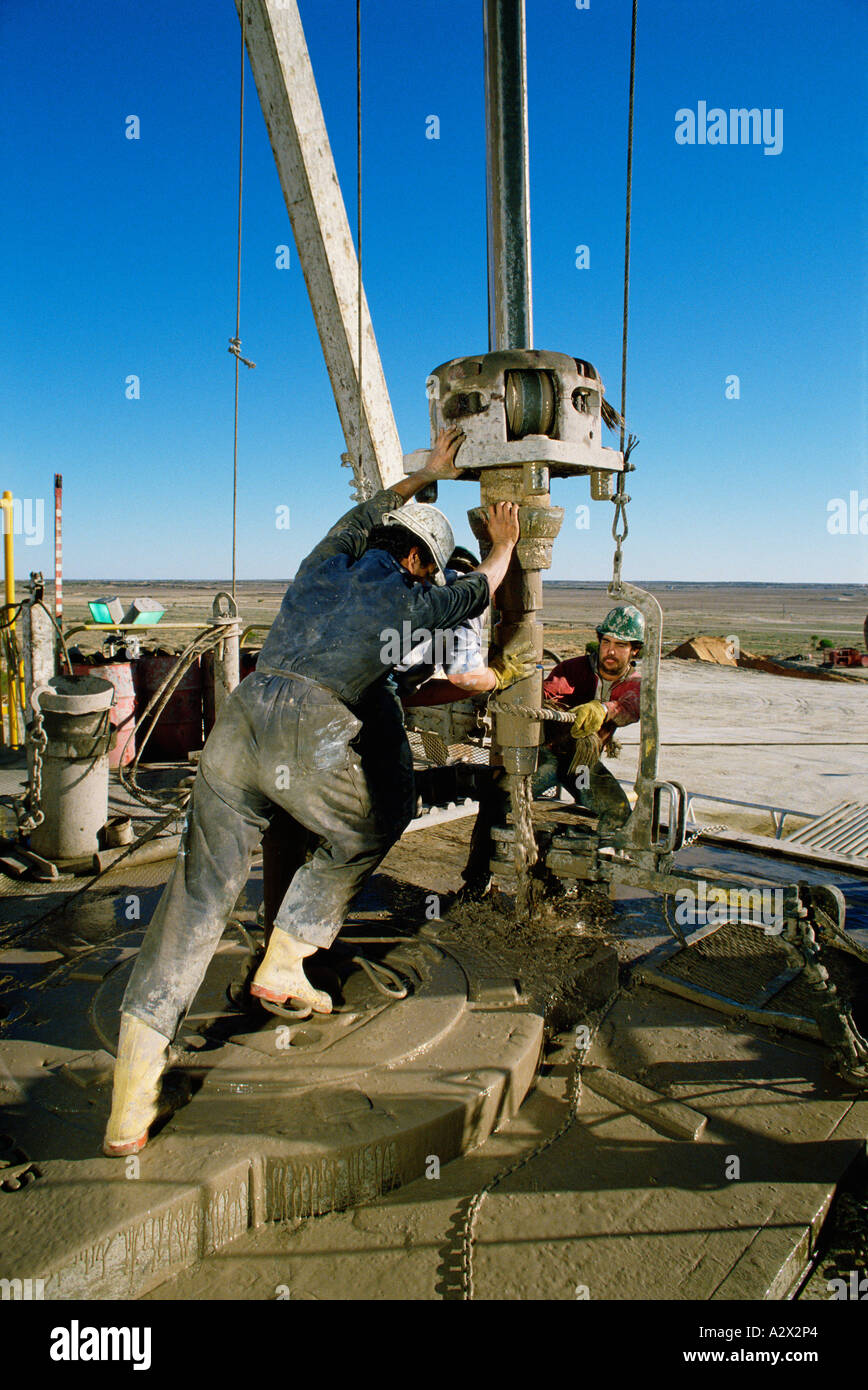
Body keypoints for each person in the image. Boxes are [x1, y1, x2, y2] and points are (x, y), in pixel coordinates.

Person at [104, 427, 523, 1156]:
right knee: (378, 818)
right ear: (421, 559)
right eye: (427, 569)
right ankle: (289, 952)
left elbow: (365, 511)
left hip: (240, 719)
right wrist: (507, 544)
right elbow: (476, 591)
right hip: (311, 721)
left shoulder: (324, 561)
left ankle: (131, 1092)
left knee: (196, 897)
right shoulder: (413, 600)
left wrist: (426, 473)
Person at [459, 603, 644, 897]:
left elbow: (631, 706)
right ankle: (478, 879)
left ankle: (594, 882)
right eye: (606, 642)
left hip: (583, 764)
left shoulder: (632, 683)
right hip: (547, 756)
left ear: (634, 650)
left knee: (618, 811)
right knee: (497, 801)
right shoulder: (574, 670)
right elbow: (541, 694)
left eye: (620, 645)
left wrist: (605, 709)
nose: (610, 651)